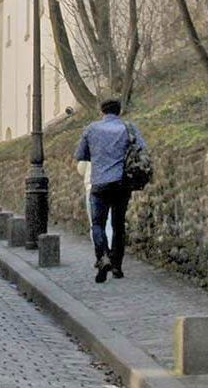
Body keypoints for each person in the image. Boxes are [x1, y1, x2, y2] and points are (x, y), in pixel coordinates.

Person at [74, 99, 147, 283]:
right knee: (118, 226)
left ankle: (103, 257)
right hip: (122, 184)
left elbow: (80, 155)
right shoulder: (128, 128)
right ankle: (117, 267)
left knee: (98, 224)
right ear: (119, 111)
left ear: (102, 112)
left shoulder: (91, 129)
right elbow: (142, 149)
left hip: (99, 184)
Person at [77, 161, 113, 250]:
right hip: (112, 185)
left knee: (96, 223)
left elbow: (81, 169)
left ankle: (102, 253)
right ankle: (110, 250)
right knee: (110, 222)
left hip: (93, 187)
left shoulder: (90, 146)